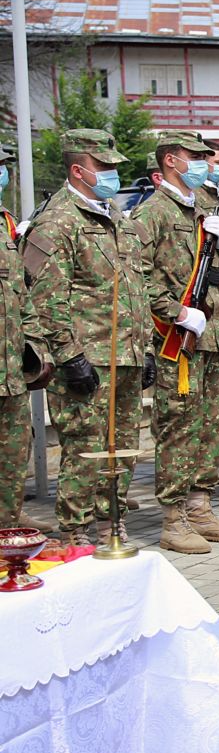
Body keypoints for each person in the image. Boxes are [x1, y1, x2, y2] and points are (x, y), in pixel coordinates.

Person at [21, 130, 154, 546]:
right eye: (105, 167)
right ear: (78, 170)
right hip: (86, 358)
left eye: (115, 167)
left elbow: (136, 287)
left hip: (126, 354)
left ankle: (110, 523)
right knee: (85, 449)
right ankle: (76, 533)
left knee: (125, 445)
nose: (113, 174)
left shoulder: (118, 217)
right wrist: (68, 355)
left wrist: (146, 347)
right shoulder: (58, 221)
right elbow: (45, 298)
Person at [132, 129, 219, 553]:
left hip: (213, 335)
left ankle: (200, 506)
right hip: (177, 339)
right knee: (179, 427)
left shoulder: (205, 206)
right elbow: (136, 279)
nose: (202, 162)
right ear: (170, 162)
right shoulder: (151, 214)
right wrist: (177, 312)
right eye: (193, 156)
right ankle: (173, 517)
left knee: (211, 424)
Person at [0, 147, 51, 534]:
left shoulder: (5, 225)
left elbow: (22, 295)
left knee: (13, 451)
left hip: (10, 370)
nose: (3, 174)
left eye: (3, 167)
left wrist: (36, 349)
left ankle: (9, 518)